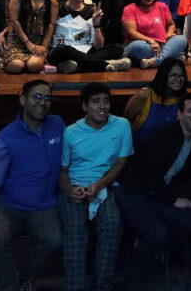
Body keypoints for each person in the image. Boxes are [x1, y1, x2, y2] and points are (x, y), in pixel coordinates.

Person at [0, 79, 64, 291]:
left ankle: (25, 275)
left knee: (54, 241)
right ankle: (11, 286)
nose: (43, 102)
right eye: (37, 96)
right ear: (23, 100)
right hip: (9, 205)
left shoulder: (58, 125)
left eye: (47, 98)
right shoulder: (5, 138)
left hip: (44, 205)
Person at [116, 96, 191, 290]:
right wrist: (173, 199)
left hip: (157, 193)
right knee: (157, 232)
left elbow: (188, 178)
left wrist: (182, 197)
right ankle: (130, 281)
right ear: (179, 115)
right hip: (134, 191)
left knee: (188, 221)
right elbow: (149, 174)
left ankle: (157, 257)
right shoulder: (166, 134)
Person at [59, 82, 132, 291]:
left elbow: (121, 162)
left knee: (112, 223)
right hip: (74, 186)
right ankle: (75, 286)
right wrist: (70, 190)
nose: (102, 106)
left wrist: (99, 184)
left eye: (106, 101)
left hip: (104, 186)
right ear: (85, 107)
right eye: (96, 101)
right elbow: (62, 172)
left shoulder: (121, 125)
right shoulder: (71, 132)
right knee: (75, 229)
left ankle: (102, 284)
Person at [48, 0, 130, 74]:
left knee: (117, 48)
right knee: (62, 49)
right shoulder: (58, 8)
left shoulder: (92, 10)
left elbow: (99, 46)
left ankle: (77, 65)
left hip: (85, 50)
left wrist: (96, 25)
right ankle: (104, 64)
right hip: (63, 51)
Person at [3, 0, 59, 74]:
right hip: (19, 41)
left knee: (34, 66)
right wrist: (28, 43)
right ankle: (18, 61)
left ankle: (35, 62)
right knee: (15, 66)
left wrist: (44, 46)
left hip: (39, 42)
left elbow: (51, 24)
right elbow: (14, 22)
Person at [122, 0, 187, 69]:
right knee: (137, 46)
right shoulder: (129, 9)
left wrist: (169, 33)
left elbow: (171, 24)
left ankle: (154, 61)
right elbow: (131, 33)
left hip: (162, 44)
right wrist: (151, 41)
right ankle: (170, 57)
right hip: (144, 45)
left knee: (181, 39)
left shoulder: (162, 6)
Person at [123, 56, 188, 145]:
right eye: (173, 75)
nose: (178, 79)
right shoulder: (144, 96)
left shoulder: (182, 99)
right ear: (163, 75)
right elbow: (124, 124)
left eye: (181, 75)